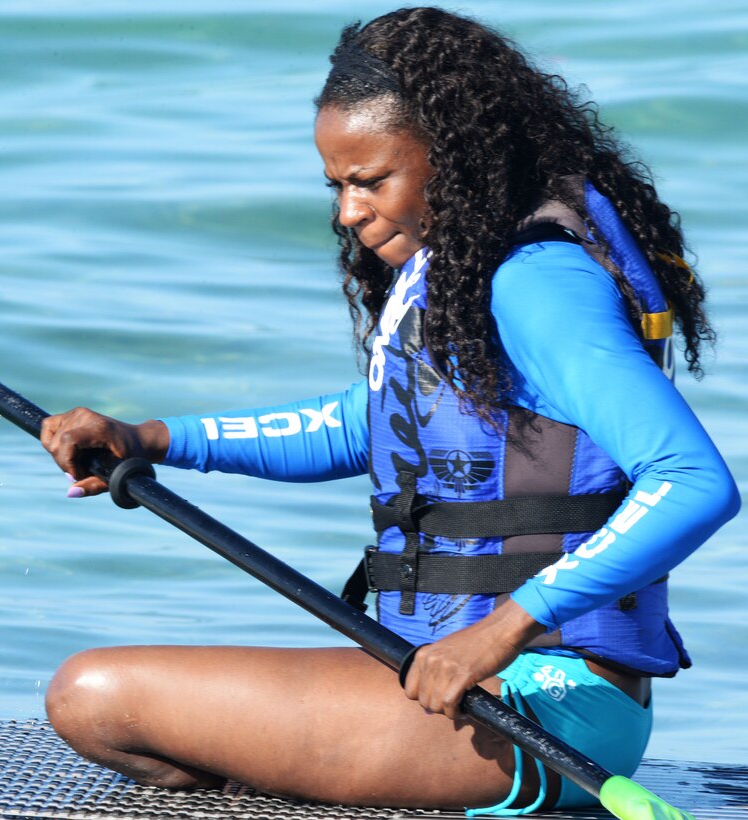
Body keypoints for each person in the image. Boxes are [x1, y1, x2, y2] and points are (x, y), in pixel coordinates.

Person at [39, 7, 739, 814]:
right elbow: (360, 423)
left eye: (370, 181)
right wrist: (149, 439)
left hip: (546, 709)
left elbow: (692, 481)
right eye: (336, 185)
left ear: (457, 158)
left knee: (91, 695)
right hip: (476, 689)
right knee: (106, 702)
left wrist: (503, 626)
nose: (348, 212)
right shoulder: (461, 263)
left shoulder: (537, 282)